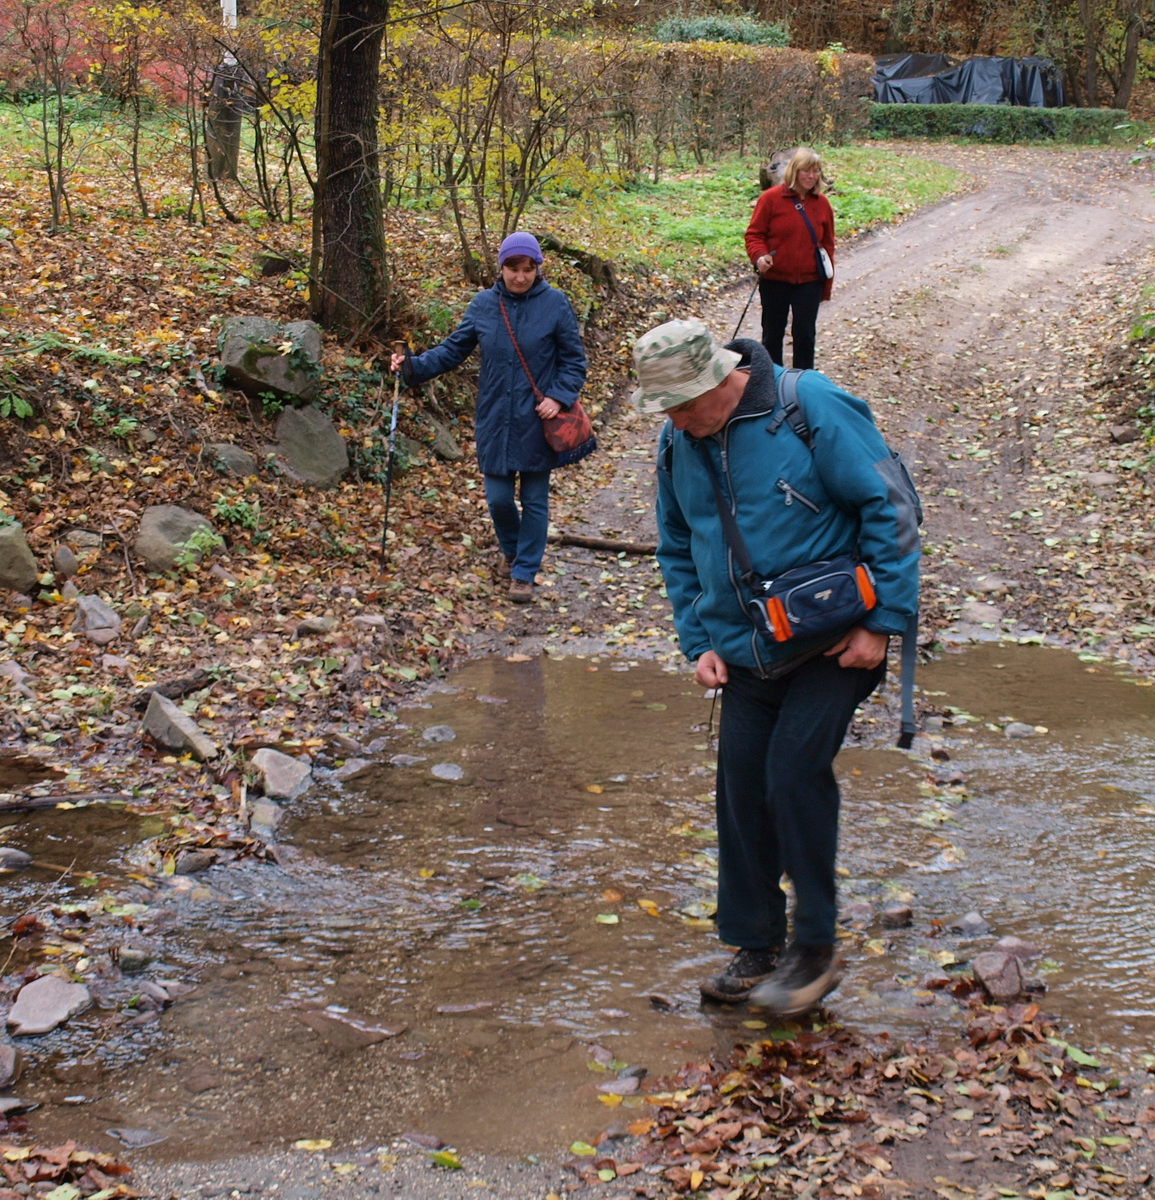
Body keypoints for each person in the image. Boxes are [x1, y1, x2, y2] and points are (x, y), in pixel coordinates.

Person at [635, 319, 920, 1015]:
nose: (670, 421)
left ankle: (814, 950)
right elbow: (676, 547)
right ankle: (756, 943)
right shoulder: (679, 440)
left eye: (678, 405)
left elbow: (892, 507)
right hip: (743, 648)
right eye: (663, 409)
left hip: (835, 638)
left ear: (715, 381)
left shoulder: (809, 405)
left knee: (792, 772)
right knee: (740, 788)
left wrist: (882, 623)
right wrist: (696, 638)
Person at [390, 232, 587, 604]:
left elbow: (574, 362)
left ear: (537, 269)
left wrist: (559, 398)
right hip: (495, 417)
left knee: (535, 499)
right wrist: (412, 367)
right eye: (513, 269)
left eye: (528, 269)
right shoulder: (484, 305)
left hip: (536, 421)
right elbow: (453, 350)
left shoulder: (555, 304)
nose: (520, 277)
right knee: (498, 500)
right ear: (501, 267)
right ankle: (512, 552)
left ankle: (524, 572)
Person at [744, 146, 835, 369]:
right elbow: (754, 235)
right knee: (772, 335)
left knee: (805, 336)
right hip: (775, 279)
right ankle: (771, 384)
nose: (811, 176)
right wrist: (759, 257)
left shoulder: (822, 204)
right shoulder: (770, 199)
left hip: (809, 280)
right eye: (806, 171)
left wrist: (826, 287)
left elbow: (828, 247)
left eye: (816, 171)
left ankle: (803, 386)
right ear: (794, 171)